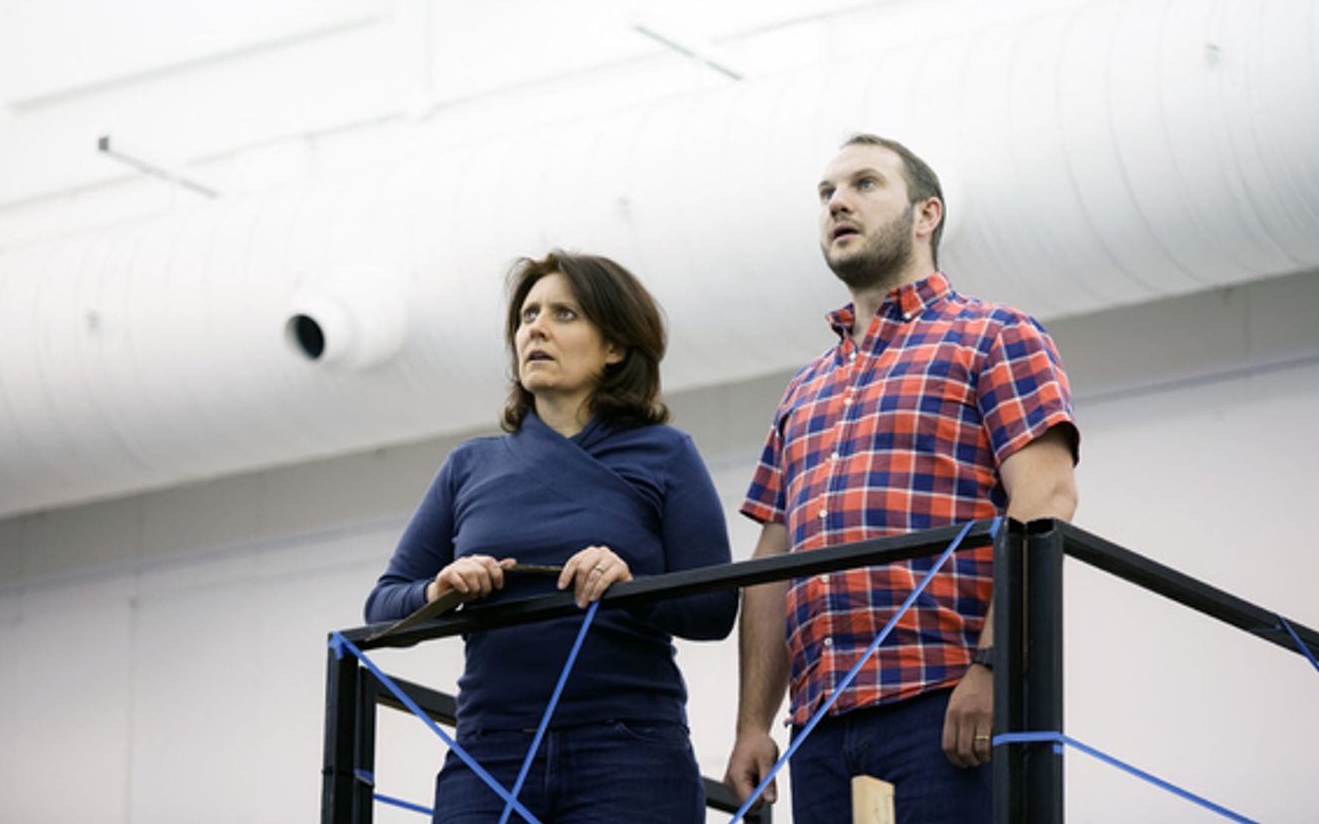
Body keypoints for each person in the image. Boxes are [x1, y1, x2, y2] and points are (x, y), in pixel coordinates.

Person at [724, 134, 1079, 823]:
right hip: (822, 723)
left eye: (864, 184)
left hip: (946, 702)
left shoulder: (995, 335)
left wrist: (994, 667)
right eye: (826, 193)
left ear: (927, 215)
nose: (837, 203)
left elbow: (1047, 497)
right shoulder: (803, 389)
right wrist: (751, 722)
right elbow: (773, 562)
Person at [366, 251, 738, 824]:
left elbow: (714, 610)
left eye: (564, 314)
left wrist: (631, 586)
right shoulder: (468, 465)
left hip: (629, 750)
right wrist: (439, 589)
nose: (535, 327)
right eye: (528, 314)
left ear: (614, 347)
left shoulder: (667, 453)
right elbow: (382, 607)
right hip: (491, 751)